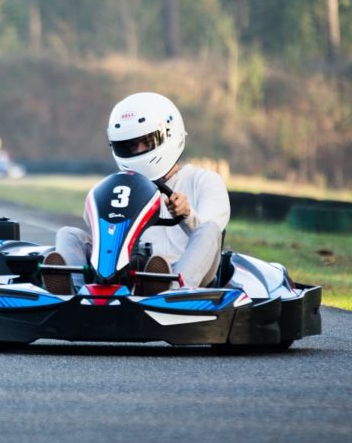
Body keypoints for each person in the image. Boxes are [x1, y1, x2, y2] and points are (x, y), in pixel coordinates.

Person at [43, 92, 230, 296]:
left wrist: (186, 215)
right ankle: (76, 292)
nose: (139, 151)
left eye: (147, 142)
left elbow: (209, 238)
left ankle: (170, 292)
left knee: (209, 229)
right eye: (131, 146)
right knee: (68, 234)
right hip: (138, 269)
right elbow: (96, 225)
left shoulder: (204, 180)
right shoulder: (121, 186)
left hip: (190, 275)